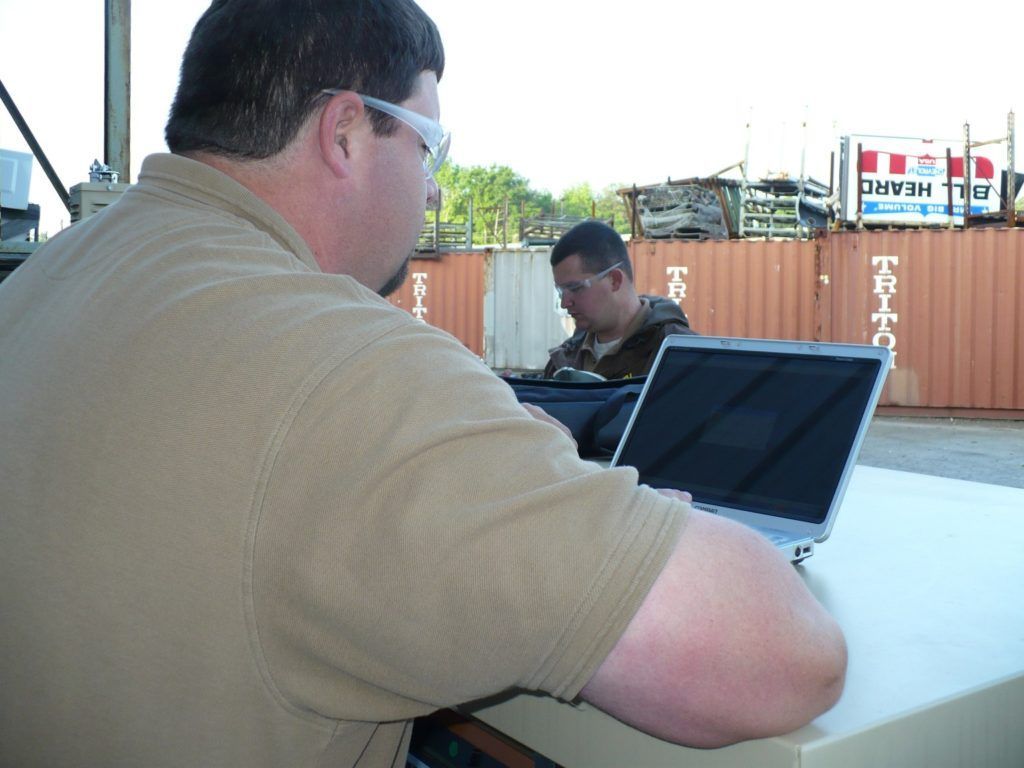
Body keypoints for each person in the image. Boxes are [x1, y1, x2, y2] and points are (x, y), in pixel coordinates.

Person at [0, 1, 846, 765]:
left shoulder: (39, 286)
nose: (435, 184)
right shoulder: (354, 368)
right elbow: (784, 657)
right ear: (343, 134)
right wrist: (575, 489)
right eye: (427, 144)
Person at [544, 220, 696, 379]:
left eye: (575, 288)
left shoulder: (682, 356)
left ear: (614, 280)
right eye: (561, 291)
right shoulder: (563, 360)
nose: (565, 303)